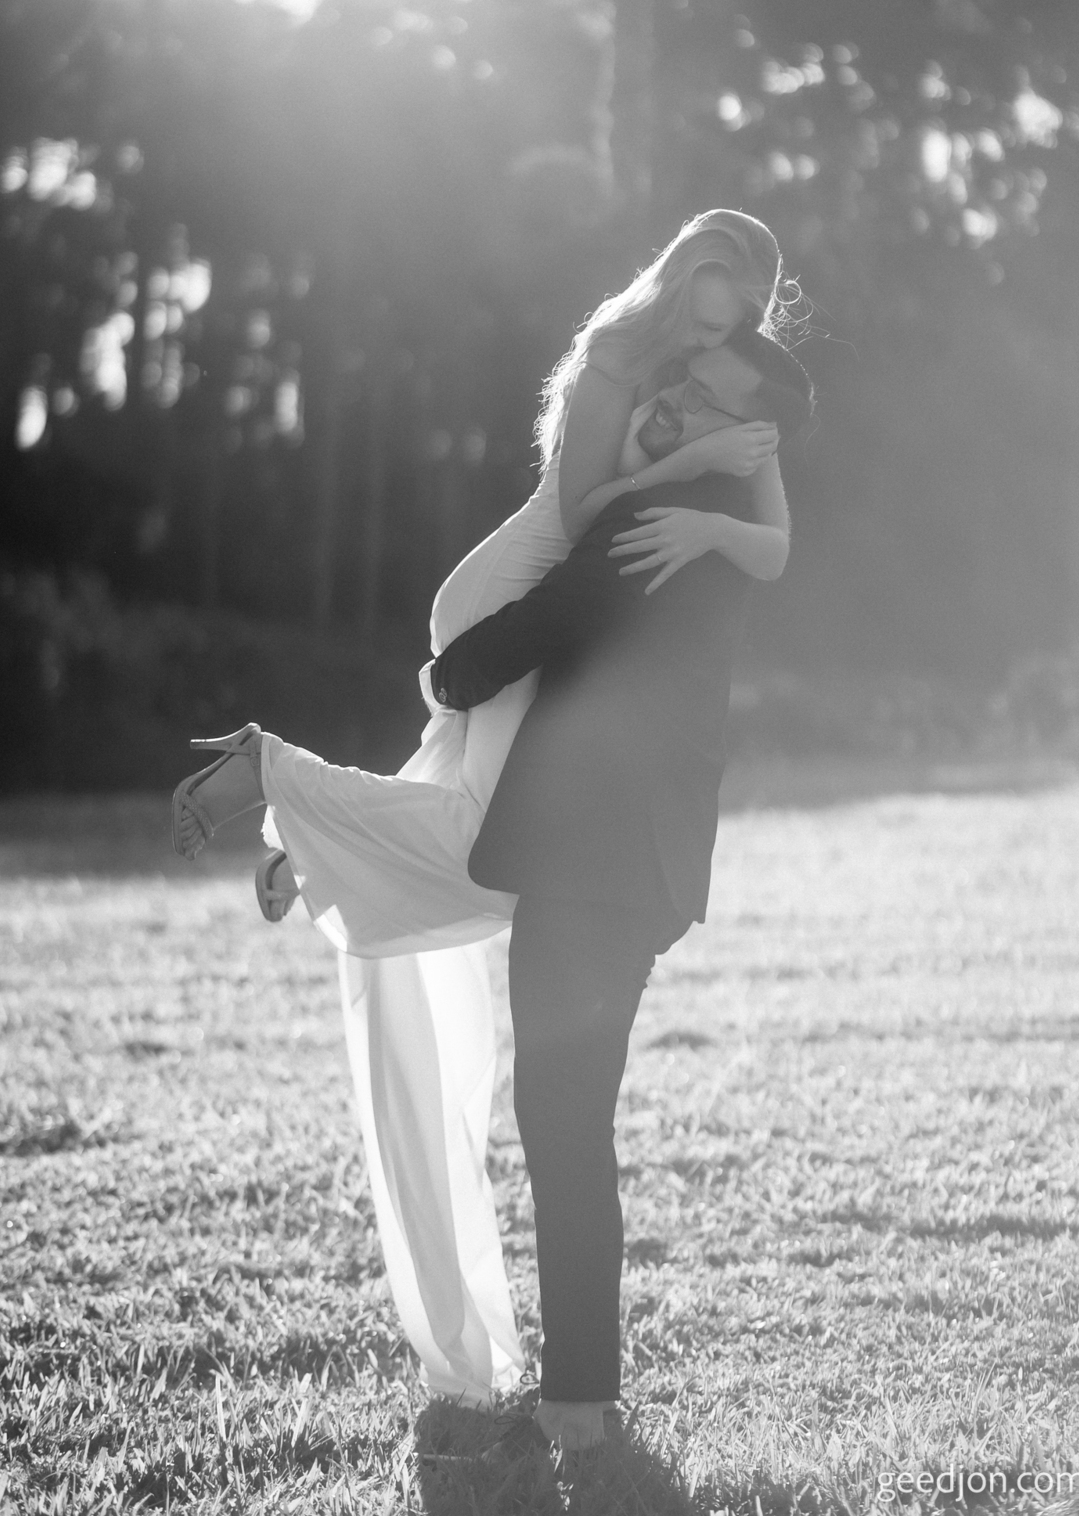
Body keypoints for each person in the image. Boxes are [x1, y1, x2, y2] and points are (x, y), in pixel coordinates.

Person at [170, 210, 811, 1412]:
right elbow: (585, 515)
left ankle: (304, 846)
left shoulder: (709, 385)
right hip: (519, 579)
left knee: (476, 807)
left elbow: (771, 535)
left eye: (737, 315)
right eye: (709, 300)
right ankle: (281, 781)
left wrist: (720, 499)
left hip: (534, 585)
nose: (717, 330)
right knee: (481, 835)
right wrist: (682, 477)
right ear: (686, 279)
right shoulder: (626, 361)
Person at [426, 327, 809, 1451]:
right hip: (638, 859)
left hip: (594, 858)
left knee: (562, 1120)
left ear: (747, 432)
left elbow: (560, 614)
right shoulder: (710, 513)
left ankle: (581, 1405)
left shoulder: (668, 513)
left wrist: (449, 674)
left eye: (706, 397)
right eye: (681, 379)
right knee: (568, 1117)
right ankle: (581, 1396)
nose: (679, 399)